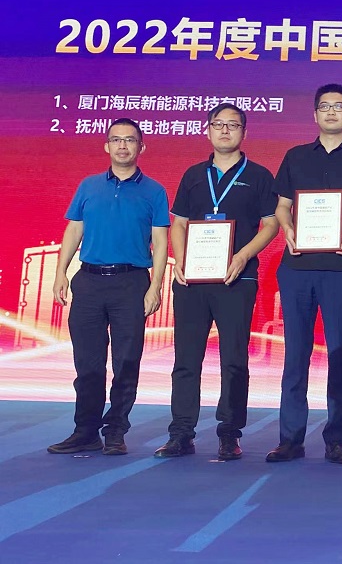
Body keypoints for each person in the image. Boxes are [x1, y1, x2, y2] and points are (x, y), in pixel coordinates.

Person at [153, 104, 278, 461]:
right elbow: (178, 223)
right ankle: (181, 433)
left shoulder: (259, 175)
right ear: (207, 130)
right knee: (186, 358)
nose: (225, 131)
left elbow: (270, 224)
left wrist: (242, 256)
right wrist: (180, 259)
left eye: (232, 125)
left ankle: (229, 433)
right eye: (218, 124)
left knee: (234, 358)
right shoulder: (194, 174)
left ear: (244, 132)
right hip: (192, 279)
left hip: (237, 277)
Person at [266, 84, 342, 464]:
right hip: (297, 268)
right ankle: (290, 438)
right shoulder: (295, 156)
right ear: (315, 114)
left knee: (340, 353)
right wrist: (288, 228)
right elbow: (282, 206)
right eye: (325, 106)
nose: (332, 112)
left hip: (341, 269)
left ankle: (336, 438)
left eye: (339, 106)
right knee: (295, 354)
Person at [48, 118, 170, 456]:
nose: (122, 146)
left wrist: (156, 286)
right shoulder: (88, 186)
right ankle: (85, 431)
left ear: (141, 147)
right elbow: (74, 230)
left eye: (129, 140)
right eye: (116, 140)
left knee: (126, 361)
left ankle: (115, 430)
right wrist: (60, 273)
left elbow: (161, 242)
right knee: (88, 363)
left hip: (131, 283)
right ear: (106, 146)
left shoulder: (154, 191)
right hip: (88, 282)